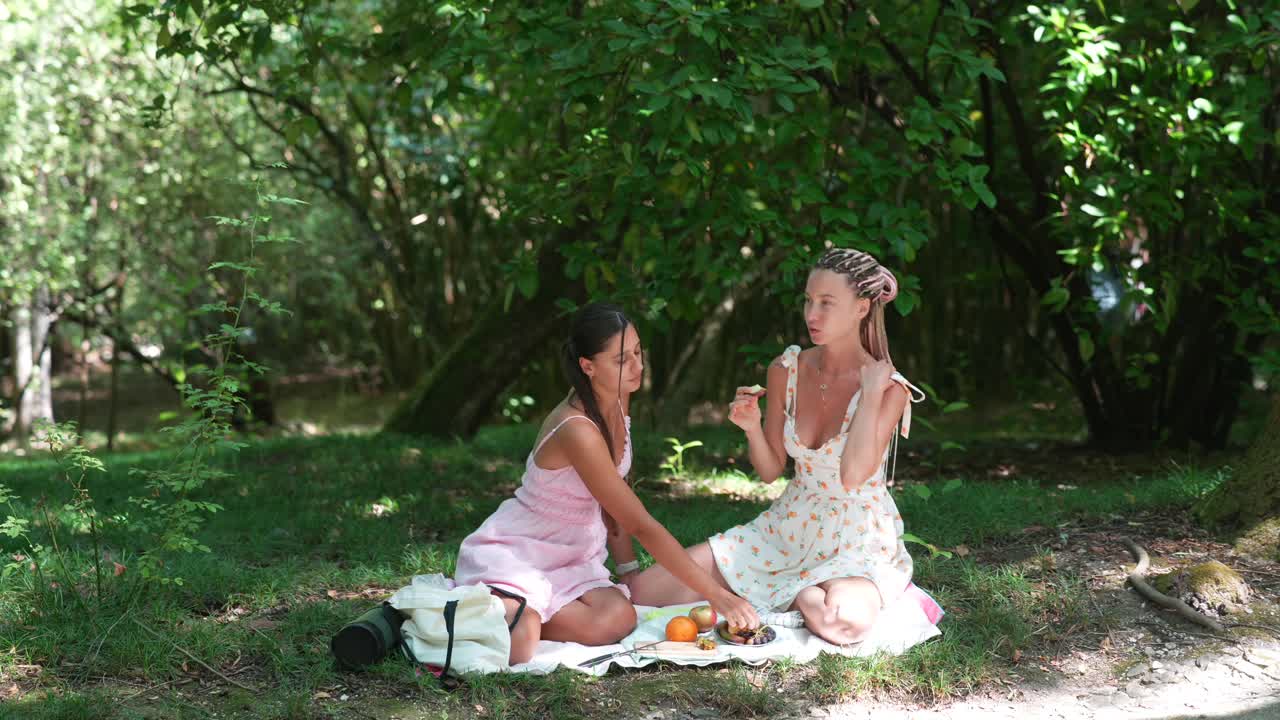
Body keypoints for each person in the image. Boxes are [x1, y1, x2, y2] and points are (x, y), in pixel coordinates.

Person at [627, 249, 932, 646]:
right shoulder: (785, 369)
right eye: (808, 300)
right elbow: (771, 470)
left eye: (826, 303)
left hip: (857, 535)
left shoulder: (888, 388)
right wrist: (752, 428)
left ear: (861, 308)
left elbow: (853, 475)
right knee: (643, 593)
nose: (812, 315)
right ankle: (790, 592)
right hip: (790, 525)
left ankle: (799, 593)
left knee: (844, 625)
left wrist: (871, 394)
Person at [454, 302, 760, 665]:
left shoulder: (615, 396)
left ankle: (522, 611)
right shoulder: (576, 429)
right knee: (522, 646)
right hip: (523, 550)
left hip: (572, 558)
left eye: (637, 351)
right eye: (621, 359)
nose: (637, 366)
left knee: (620, 618)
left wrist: (628, 572)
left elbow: (615, 500)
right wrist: (717, 595)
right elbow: (639, 523)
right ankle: (505, 608)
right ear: (588, 366)